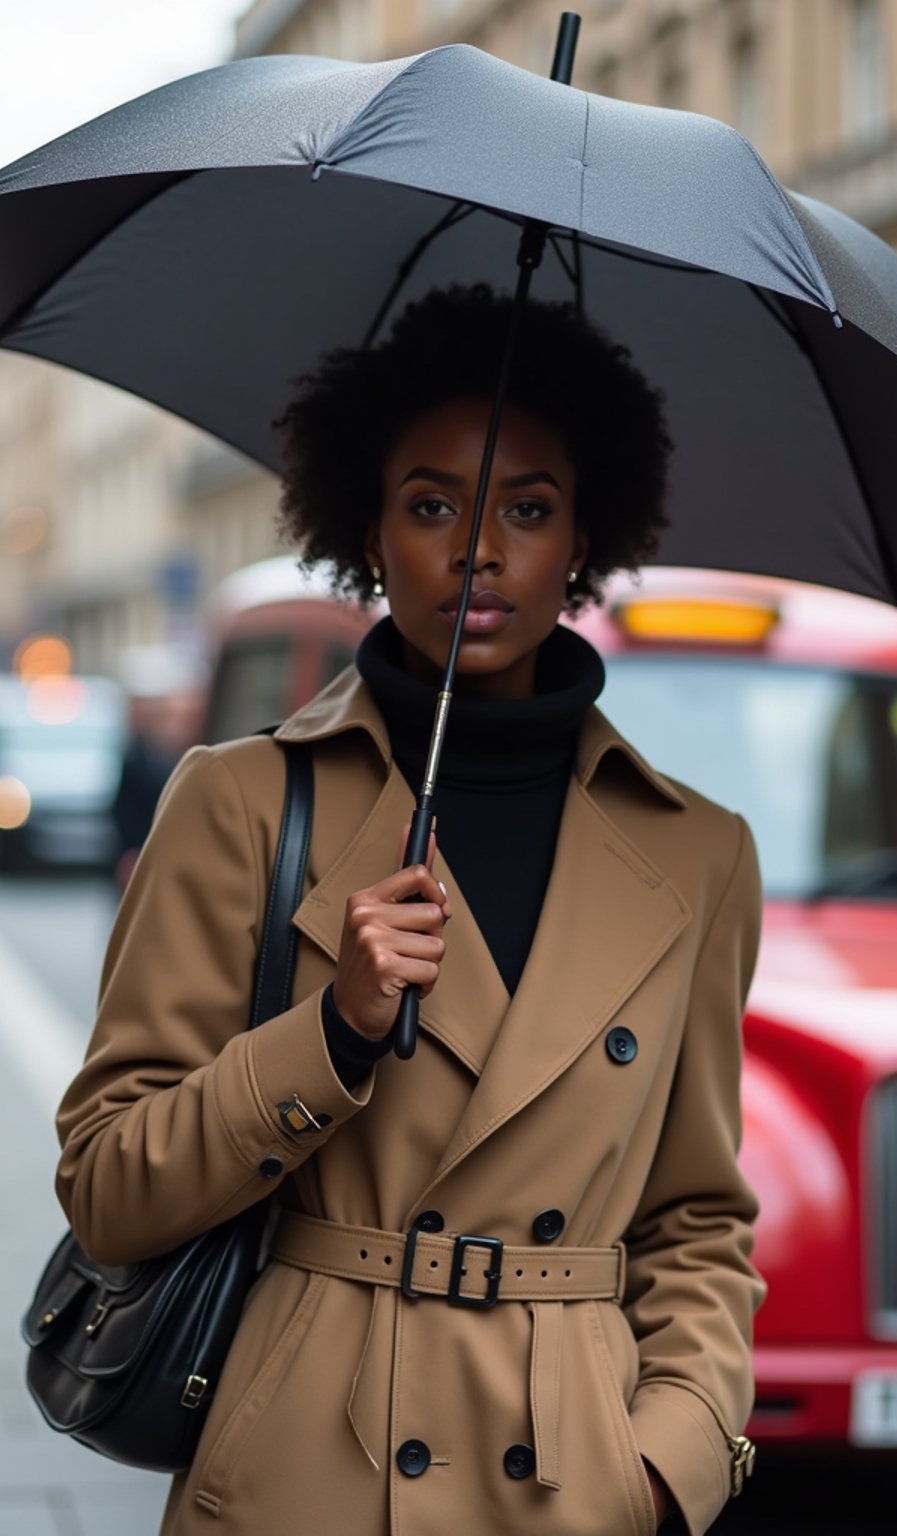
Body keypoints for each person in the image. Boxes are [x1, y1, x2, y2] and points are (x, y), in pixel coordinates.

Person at [55, 285, 765, 1536]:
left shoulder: (699, 853)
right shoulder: (239, 803)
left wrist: (666, 1465)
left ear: (584, 537)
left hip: (568, 1488)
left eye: (527, 509)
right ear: (366, 532)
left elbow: (695, 1219)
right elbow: (110, 1184)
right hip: (302, 1472)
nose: (476, 550)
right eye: (430, 505)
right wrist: (330, 1032)